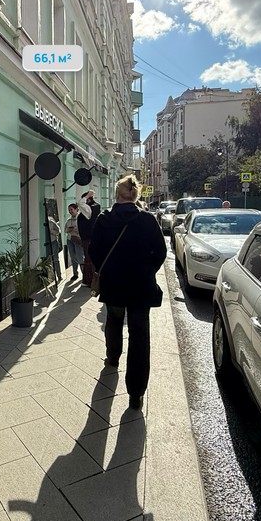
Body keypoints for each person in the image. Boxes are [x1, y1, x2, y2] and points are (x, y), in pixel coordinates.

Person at [89, 175, 167, 411]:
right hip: (141, 286)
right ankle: (136, 393)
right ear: (136, 195)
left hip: (114, 284)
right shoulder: (147, 219)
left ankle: (113, 358)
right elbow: (160, 251)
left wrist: (106, 270)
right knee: (140, 336)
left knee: (113, 321)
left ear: (117, 194)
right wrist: (147, 270)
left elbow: (94, 251)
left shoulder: (105, 219)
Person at [77, 190, 101, 286]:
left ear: (88, 200)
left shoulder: (89, 209)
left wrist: (87, 196)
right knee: (90, 259)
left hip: (87, 237)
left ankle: (90, 281)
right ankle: (87, 280)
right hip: (93, 236)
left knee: (88, 259)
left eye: (85, 199)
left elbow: (80, 203)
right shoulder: (95, 207)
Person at [65, 203, 84, 281]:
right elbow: (65, 230)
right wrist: (68, 230)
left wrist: (75, 230)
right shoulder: (68, 220)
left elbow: (83, 230)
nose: (70, 211)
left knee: (80, 257)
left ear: (76, 209)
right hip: (70, 240)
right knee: (73, 257)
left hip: (77, 240)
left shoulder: (80, 218)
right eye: (69, 210)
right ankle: (75, 274)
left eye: (71, 209)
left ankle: (84, 274)